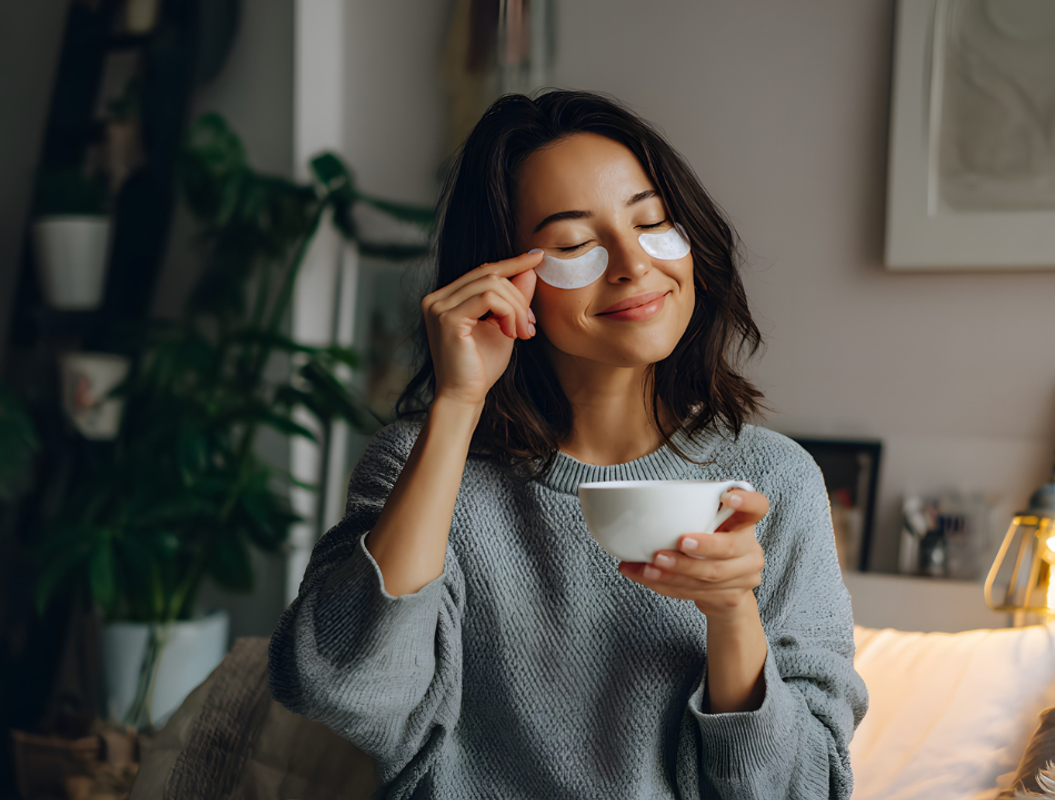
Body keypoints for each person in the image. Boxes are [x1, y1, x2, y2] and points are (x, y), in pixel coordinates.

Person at [268, 90, 868, 799]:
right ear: (504, 277)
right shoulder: (422, 462)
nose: (632, 263)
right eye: (575, 244)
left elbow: (805, 789)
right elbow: (338, 685)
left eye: (652, 222)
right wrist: (459, 405)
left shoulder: (776, 480)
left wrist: (733, 613)